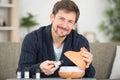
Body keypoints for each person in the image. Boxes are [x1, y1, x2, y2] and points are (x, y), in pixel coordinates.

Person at [17, 0, 95, 78]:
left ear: (74, 24)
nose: (64, 26)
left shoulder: (81, 42)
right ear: (52, 17)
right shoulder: (32, 39)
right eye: (61, 19)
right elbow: (21, 72)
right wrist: (39, 68)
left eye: (70, 22)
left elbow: (90, 77)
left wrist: (87, 65)